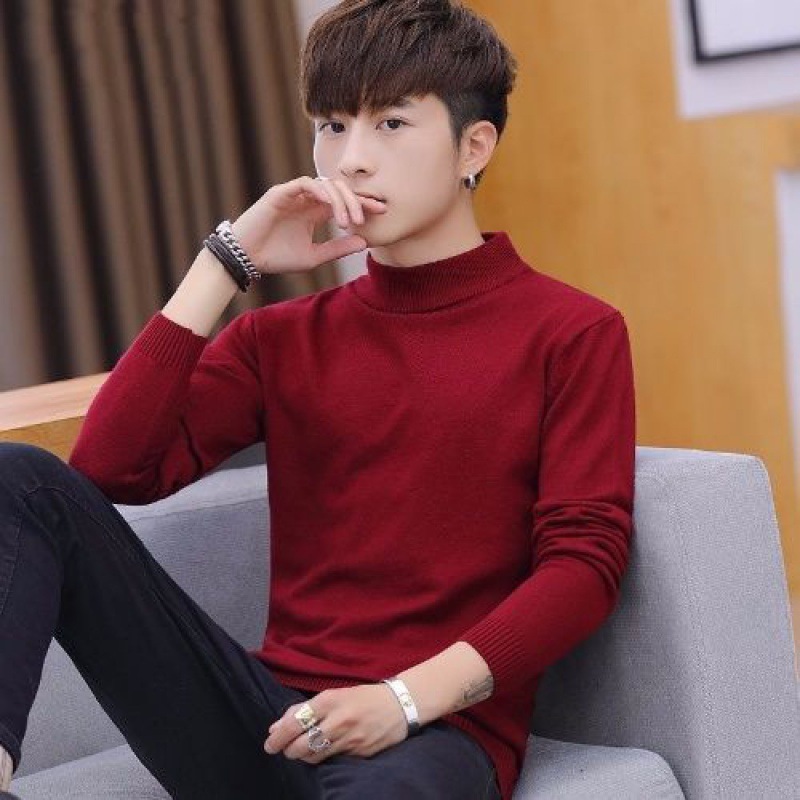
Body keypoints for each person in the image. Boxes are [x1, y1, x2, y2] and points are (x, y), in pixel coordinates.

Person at [0, 1, 636, 798]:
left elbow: (582, 567)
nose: (353, 159)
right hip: (266, 721)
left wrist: (404, 699)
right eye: (333, 125)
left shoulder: (572, 333)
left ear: (474, 147)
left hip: (432, 735)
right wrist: (227, 261)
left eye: (391, 123)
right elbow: (110, 470)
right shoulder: (281, 339)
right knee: (20, 480)